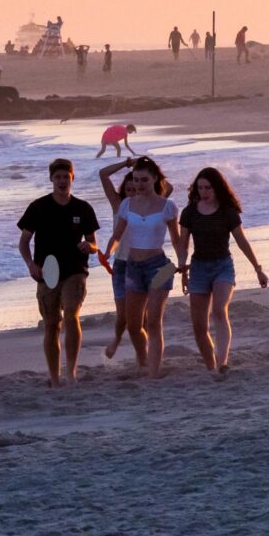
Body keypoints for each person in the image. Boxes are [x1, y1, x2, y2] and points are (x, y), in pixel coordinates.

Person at [100, 157, 185, 377]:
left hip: (159, 267)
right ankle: (144, 361)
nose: (139, 184)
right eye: (136, 180)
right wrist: (108, 251)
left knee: (154, 322)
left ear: (155, 179)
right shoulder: (127, 204)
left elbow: (176, 239)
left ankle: (154, 372)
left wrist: (183, 263)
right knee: (133, 325)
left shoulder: (168, 206)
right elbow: (117, 234)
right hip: (132, 267)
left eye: (144, 180)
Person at [18, 159, 99, 385]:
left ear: (73, 178)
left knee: (72, 315)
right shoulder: (38, 207)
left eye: (66, 176)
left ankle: (71, 372)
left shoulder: (83, 208)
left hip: (75, 270)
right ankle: (54, 377)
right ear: (51, 179)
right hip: (47, 272)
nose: (62, 181)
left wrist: (89, 246)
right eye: (58, 177)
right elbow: (24, 242)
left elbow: (94, 243)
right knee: (52, 324)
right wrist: (31, 265)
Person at [182, 167, 269, 374]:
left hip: (222, 266)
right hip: (198, 268)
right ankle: (211, 366)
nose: (204, 192)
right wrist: (183, 270)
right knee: (199, 326)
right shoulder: (189, 212)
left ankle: (223, 362)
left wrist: (258, 269)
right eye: (200, 187)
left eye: (208, 187)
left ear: (217, 188)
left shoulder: (228, 211)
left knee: (220, 311)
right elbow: (182, 245)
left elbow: (242, 241)